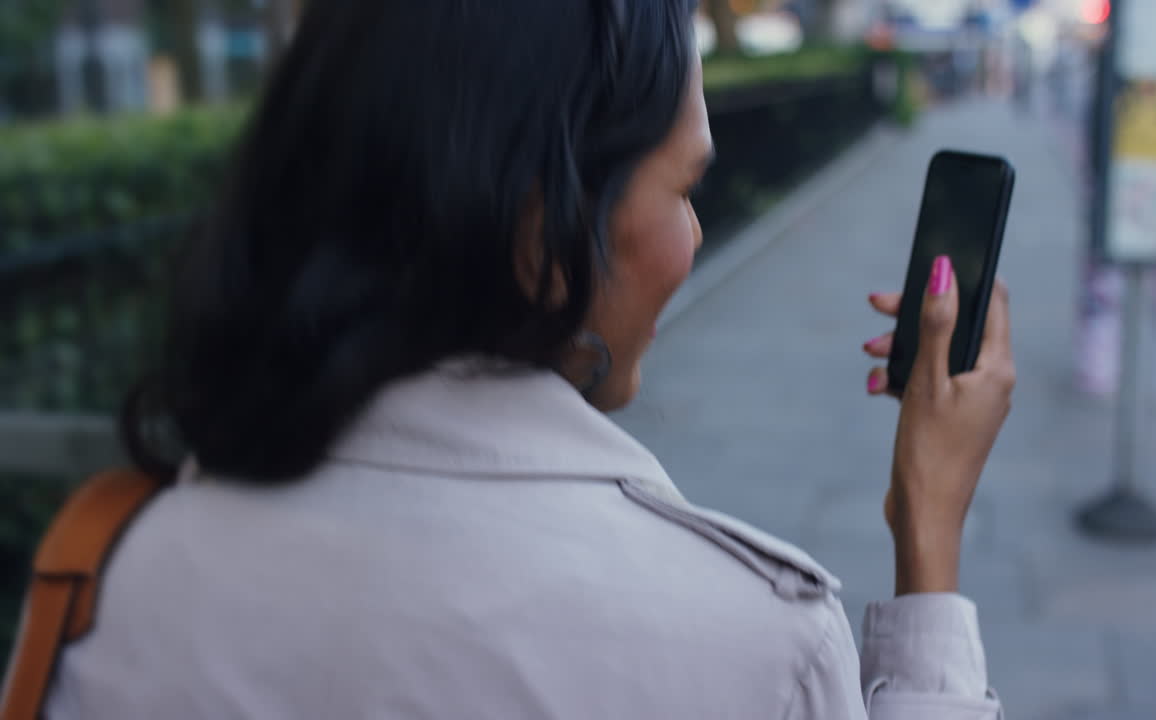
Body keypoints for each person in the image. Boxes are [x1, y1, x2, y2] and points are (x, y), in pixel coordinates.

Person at [44, 1, 1014, 717]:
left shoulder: (110, 572)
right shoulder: (750, 643)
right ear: (542, 231)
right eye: (685, 188)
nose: (692, 232)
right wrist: (927, 536)